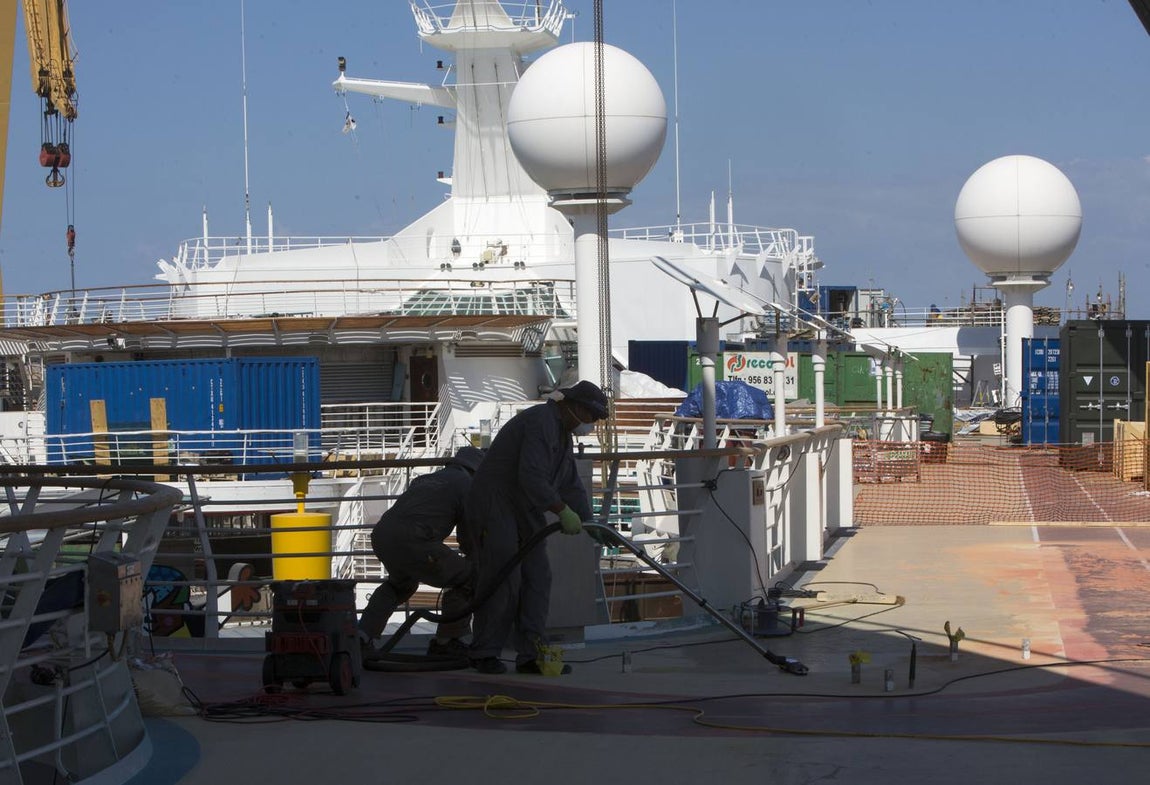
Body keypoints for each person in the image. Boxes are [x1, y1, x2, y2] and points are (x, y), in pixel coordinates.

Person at [465, 380, 609, 675]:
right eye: (591, 417)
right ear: (574, 407)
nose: (592, 424)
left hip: (523, 507)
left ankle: (530, 653)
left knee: (538, 576)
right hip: (497, 505)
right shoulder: (541, 422)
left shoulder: (562, 433)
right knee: (504, 575)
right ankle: (485, 651)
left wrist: (590, 520)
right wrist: (562, 511)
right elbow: (531, 476)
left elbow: (569, 482)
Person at [358, 446, 485, 659]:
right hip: (414, 539)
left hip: (382, 535)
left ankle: (361, 637)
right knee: (467, 579)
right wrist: (476, 558)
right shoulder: (467, 485)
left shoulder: (426, 478)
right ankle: (446, 642)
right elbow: (468, 534)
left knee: (399, 586)